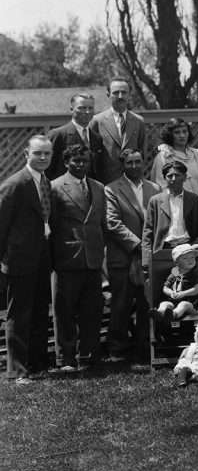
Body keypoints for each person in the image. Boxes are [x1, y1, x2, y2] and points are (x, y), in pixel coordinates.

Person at [0, 135, 54, 381]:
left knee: (40, 311)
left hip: (42, 257)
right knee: (18, 314)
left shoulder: (45, 181)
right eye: (38, 153)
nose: (42, 158)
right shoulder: (15, 184)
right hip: (19, 259)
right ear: (26, 154)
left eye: (47, 154)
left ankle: (38, 363)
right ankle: (17, 370)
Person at [49, 144, 107, 371]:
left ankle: (89, 355)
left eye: (84, 160)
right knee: (64, 312)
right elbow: (50, 226)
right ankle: (66, 359)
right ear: (66, 163)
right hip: (67, 259)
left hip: (93, 259)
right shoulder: (54, 188)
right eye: (76, 161)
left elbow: (101, 223)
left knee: (91, 310)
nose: (81, 164)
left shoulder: (98, 187)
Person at [104, 147, 160, 364]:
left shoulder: (154, 188)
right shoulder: (112, 189)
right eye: (130, 163)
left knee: (146, 304)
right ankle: (117, 349)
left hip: (148, 258)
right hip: (124, 256)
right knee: (121, 304)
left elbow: (158, 220)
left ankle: (144, 347)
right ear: (123, 165)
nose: (134, 166)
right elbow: (113, 223)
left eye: (138, 162)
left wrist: (150, 247)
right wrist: (138, 245)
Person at [142, 159, 198, 274]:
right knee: (161, 287)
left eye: (177, 175)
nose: (173, 179)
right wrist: (146, 260)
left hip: (188, 250)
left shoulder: (194, 200)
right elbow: (148, 231)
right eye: (169, 176)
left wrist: (196, 245)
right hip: (163, 250)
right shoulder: (155, 201)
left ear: (184, 177)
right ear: (164, 178)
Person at [90, 77, 147, 184]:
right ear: (108, 94)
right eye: (116, 92)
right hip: (106, 182)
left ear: (129, 95)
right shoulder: (97, 121)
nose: (120, 96)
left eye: (124, 92)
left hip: (132, 181)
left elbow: (142, 152)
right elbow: (93, 156)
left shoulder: (138, 121)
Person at [46, 92, 104, 181]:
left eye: (90, 108)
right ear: (71, 109)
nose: (87, 112)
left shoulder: (96, 138)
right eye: (82, 108)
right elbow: (47, 169)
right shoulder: (58, 135)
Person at [151, 117, 198, 200]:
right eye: (177, 132)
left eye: (185, 131)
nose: (182, 135)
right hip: (177, 205)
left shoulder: (197, 154)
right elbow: (161, 186)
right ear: (170, 135)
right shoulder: (163, 156)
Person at [157, 243, 198, 328]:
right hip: (173, 302)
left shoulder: (194, 275)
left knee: (183, 304)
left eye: (192, 257)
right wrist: (171, 293)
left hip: (191, 305)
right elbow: (165, 287)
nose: (190, 260)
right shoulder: (174, 273)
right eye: (185, 258)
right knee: (165, 303)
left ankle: (173, 315)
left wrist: (184, 293)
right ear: (177, 262)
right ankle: (160, 313)